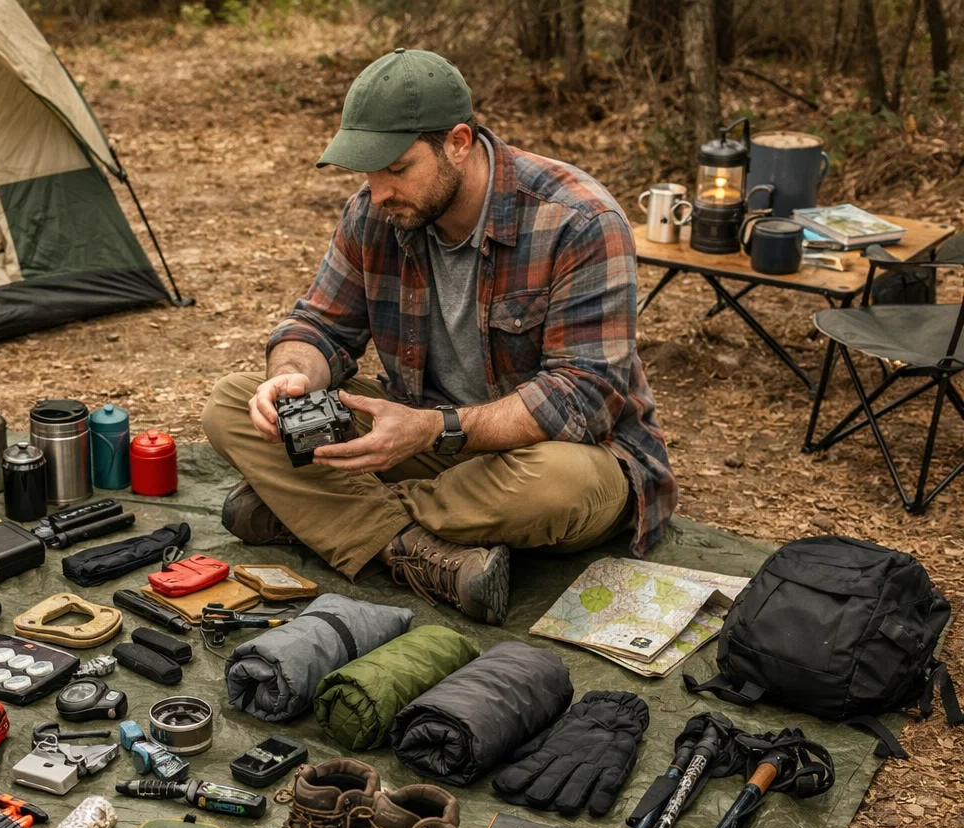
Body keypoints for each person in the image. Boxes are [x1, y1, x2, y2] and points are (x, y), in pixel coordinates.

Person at [202, 48, 676, 626]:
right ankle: (409, 548)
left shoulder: (579, 219)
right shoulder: (376, 212)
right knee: (231, 404)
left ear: (457, 142)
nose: (378, 192)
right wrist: (292, 376)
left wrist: (432, 429)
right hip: (423, 446)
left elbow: (582, 397)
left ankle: (321, 515)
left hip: (552, 456)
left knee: (562, 487)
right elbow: (319, 326)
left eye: (397, 169)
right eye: (367, 172)